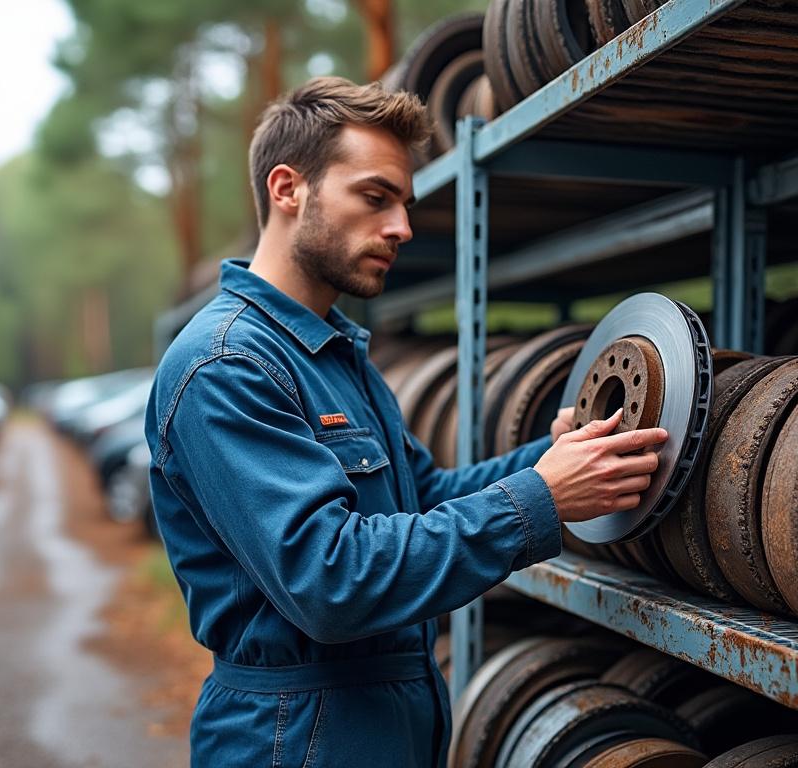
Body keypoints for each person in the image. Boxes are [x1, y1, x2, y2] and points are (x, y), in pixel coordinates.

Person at [143, 76, 667, 768]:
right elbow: (329, 581)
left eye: (404, 205)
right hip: (295, 741)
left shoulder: (334, 354)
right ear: (287, 189)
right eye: (375, 197)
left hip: (378, 728)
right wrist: (541, 498)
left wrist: (555, 457)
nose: (402, 228)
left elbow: (425, 496)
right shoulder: (226, 366)